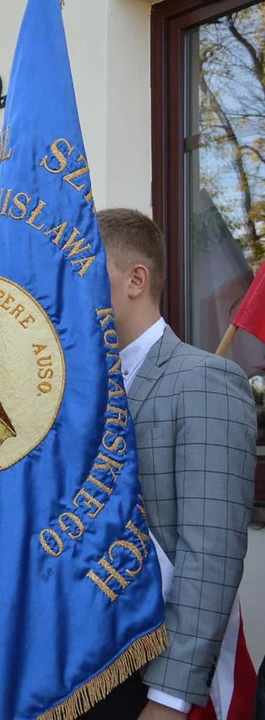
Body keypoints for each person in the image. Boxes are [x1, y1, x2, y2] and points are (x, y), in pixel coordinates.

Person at [79, 209, 257, 720]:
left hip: (148, 671)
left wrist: (170, 698)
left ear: (137, 279)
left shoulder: (205, 381)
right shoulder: (78, 390)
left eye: (88, 270)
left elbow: (210, 552)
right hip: (78, 668)